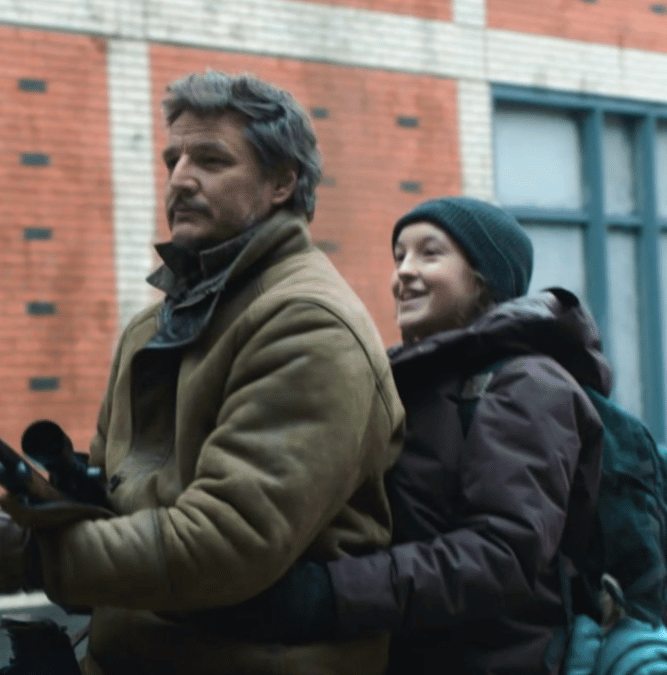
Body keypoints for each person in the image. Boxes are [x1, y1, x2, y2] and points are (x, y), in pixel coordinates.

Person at [0, 71, 405, 675]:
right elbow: (113, 529)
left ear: (282, 182)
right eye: (172, 159)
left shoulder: (308, 324)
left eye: (211, 159)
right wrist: (38, 519)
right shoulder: (153, 326)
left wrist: (27, 560)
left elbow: (228, 542)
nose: (181, 178)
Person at [199, 196, 612, 675]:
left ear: (484, 279)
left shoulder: (528, 385)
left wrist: (327, 594)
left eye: (429, 253)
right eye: (399, 256)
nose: (404, 273)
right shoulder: (410, 382)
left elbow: (502, 556)